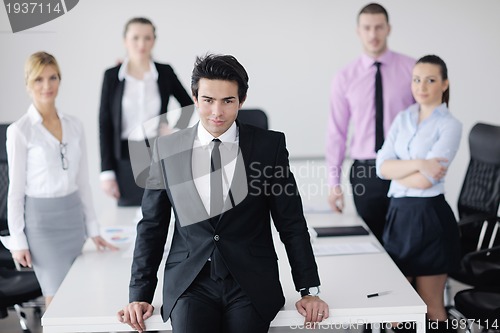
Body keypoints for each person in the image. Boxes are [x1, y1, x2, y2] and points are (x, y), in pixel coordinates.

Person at [117, 54, 329, 333]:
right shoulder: (166, 149)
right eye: (208, 100)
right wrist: (140, 295)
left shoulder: (269, 146)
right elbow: (152, 226)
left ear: (241, 100)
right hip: (190, 282)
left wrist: (308, 289)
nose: (217, 111)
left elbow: (291, 223)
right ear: (195, 98)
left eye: (228, 101)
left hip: (250, 280)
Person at [6, 51, 118, 307]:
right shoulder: (19, 131)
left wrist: (93, 229)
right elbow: (15, 191)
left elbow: (83, 183)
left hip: (73, 219)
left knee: (81, 294)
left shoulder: (75, 125)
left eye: (53, 77)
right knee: (57, 302)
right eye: (39, 79)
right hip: (42, 226)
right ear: (28, 84)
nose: (47, 86)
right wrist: (18, 241)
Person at [376, 55, 461, 333]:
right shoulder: (403, 118)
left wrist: (402, 171)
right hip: (399, 217)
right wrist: (420, 163)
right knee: (397, 310)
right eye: (416, 79)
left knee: (431, 308)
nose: (421, 86)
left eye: (430, 80)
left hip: (429, 220)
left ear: (444, 84)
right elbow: (381, 167)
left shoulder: (450, 125)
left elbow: (426, 182)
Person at [326, 3, 415, 243]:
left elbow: (425, 120)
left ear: (388, 29)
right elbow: (337, 132)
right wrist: (334, 182)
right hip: (366, 170)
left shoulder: (412, 69)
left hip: (405, 168)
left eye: (378, 27)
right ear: (358, 31)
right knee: (373, 243)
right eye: (367, 28)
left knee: (406, 242)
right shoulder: (344, 77)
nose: (373, 34)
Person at [99, 17, 193, 206]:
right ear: (125, 41)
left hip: (158, 156)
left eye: (147, 38)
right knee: (127, 219)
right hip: (124, 159)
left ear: (154, 41)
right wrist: (106, 172)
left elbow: (189, 105)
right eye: (135, 38)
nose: (141, 44)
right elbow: (105, 124)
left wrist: (174, 128)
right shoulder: (112, 76)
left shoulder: (164, 72)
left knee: (160, 213)